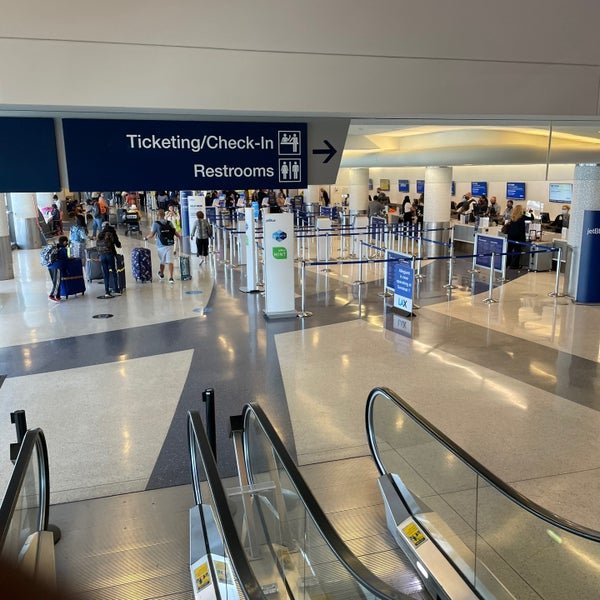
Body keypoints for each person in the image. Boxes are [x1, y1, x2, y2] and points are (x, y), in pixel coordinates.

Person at [144, 208, 182, 283]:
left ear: (157, 215)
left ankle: (161, 273)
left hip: (160, 245)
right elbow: (175, 233)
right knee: (170, 261)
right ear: (164, 215)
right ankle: (171, 277)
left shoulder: (156, 224)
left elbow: (151, 235)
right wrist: (180, 237)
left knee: (162, 261)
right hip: (170, 244)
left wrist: (146, 237)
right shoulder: (169, 222)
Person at [96, 228, 122, 298]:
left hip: (102, 256)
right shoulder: (110, 234)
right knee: (114, 272)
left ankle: (107, 292)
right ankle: (116, 290)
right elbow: (116, 243)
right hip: (109, 255)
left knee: (105, 274)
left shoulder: (100, 235)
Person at [47, 236, 69, 301]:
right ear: (64, 242)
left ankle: (58, 295)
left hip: (50, 266)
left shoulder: (56, 247)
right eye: (66, 242)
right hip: (57, 267)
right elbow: (65, 259)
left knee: (56, 281)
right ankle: (52, 295)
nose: (67, 243)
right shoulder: (63, 249)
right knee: (57, 282)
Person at [505, 204, 526, 269]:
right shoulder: (522, 218)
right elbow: (522, 230)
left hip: (510, 236)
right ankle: (514, 265)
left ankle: (507, 263)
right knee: (517, 251)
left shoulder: (512, 217)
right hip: (518, 237)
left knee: (509, 250)